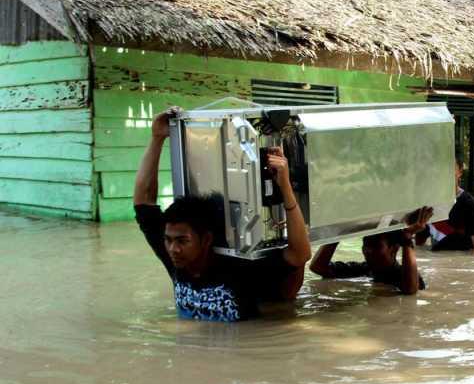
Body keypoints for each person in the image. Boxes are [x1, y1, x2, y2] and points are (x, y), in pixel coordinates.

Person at [133, 108, 312, 322]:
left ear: (206, 239)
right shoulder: (175, 260)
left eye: (182, 241)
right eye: (169, 240)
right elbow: (143, 202)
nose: (173, 249)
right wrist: (157, 138)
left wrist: (285, 187)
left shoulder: (240, 270)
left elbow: (299, 255)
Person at [310, 207, 433, 295]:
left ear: (393, 249)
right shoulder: (362, 270)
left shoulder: (403, 275)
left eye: (375, 246)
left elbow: (410, 290)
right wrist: (339, 232)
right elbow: (318, 267)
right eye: (365, 245)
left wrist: (407, 237)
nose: (367, 250)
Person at [415, 159, 474, 255]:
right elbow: (420, 242)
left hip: (459, 261)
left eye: (449, 168)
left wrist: (471, 266)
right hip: (436, 261)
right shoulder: (428, 203)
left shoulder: (470, 204)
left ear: (460, 171)